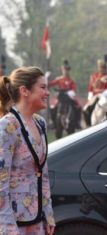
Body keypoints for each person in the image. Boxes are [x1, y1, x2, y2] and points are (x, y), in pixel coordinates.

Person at [0, 66, 55, 234]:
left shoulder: (40, 123)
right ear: (25, 91)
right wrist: (8, 228)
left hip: (37, 221)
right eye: (43, 87)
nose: (48, 93)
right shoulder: (7, 126)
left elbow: (42, 173)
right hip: (13, 224)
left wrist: (48, 213)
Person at [48, 60, 81, 129]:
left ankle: (77, 122)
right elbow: (51, 84)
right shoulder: (59, 79)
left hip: (68, 96)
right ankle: (53, 122)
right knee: (53, 107)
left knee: (78, 107)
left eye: (67, 70)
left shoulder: (71, 80)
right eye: (64, 70)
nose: (66, 71)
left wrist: (69, 93)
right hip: (61, 96)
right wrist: (46, 79)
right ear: (62, 70)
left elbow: (74, 89)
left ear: (69, 70)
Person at [83, 58, 107, 126]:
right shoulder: (93, 76)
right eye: (101, 67)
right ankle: (88, 125)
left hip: (105, 95)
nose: (103, 69)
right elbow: (90, 88)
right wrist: (90, 97)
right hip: (95, 96)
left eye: (104, 67)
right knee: (86, 109)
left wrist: (102, 94)